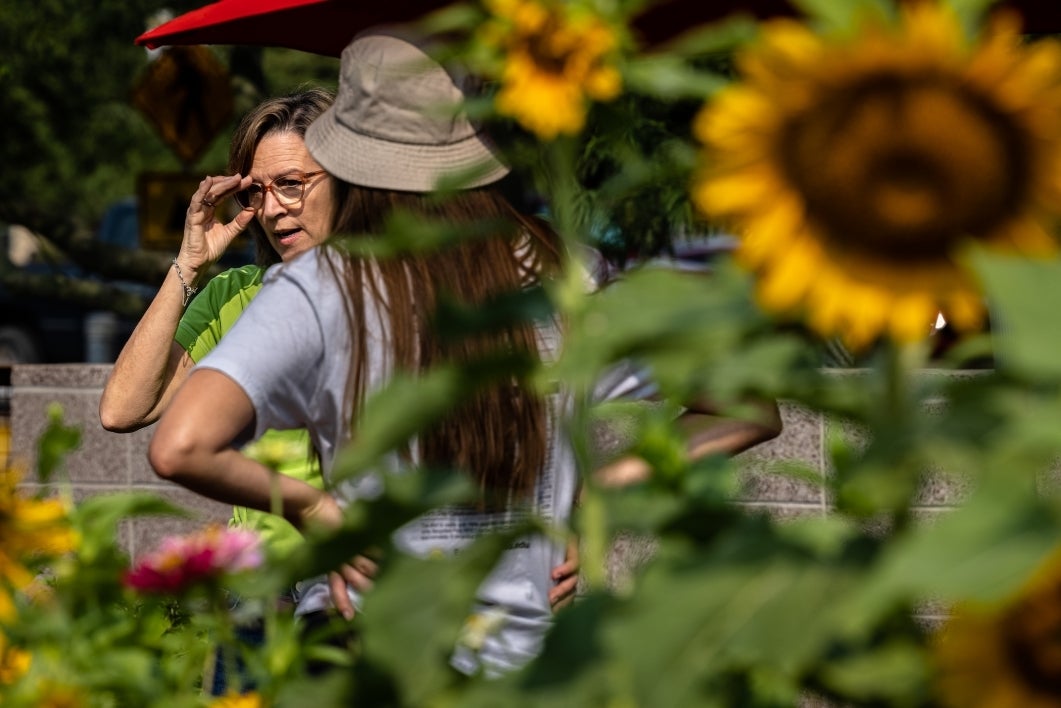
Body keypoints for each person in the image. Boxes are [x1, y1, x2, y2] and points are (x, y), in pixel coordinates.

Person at [147, 27, 780, 678]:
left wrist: (318, 512)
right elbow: (746, 408)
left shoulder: (322, 285)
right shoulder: (573, 279)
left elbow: (180, 444)